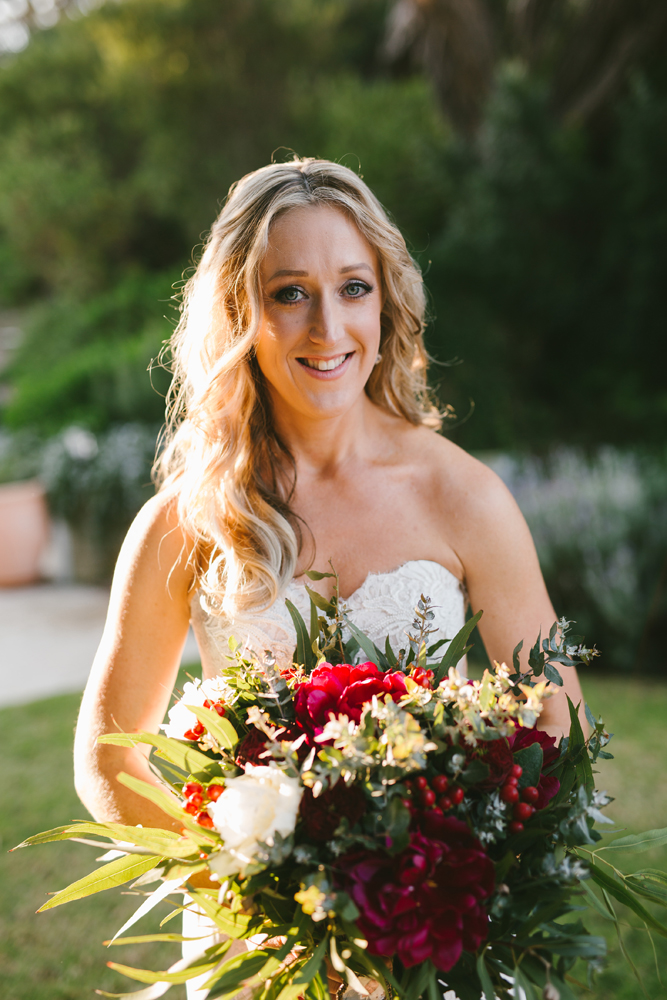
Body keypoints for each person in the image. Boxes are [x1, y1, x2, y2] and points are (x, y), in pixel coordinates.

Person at [73, 158, 586, 997]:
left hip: (429, 945)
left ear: (385, 302)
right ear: (239, 309)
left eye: (352, 288)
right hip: (259, 950)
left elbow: (557, 727)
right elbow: (107, 756)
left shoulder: (463, 496)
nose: (327, 327)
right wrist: (255, 895)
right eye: (289, 294)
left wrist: (457, 886)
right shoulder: (187, 519)